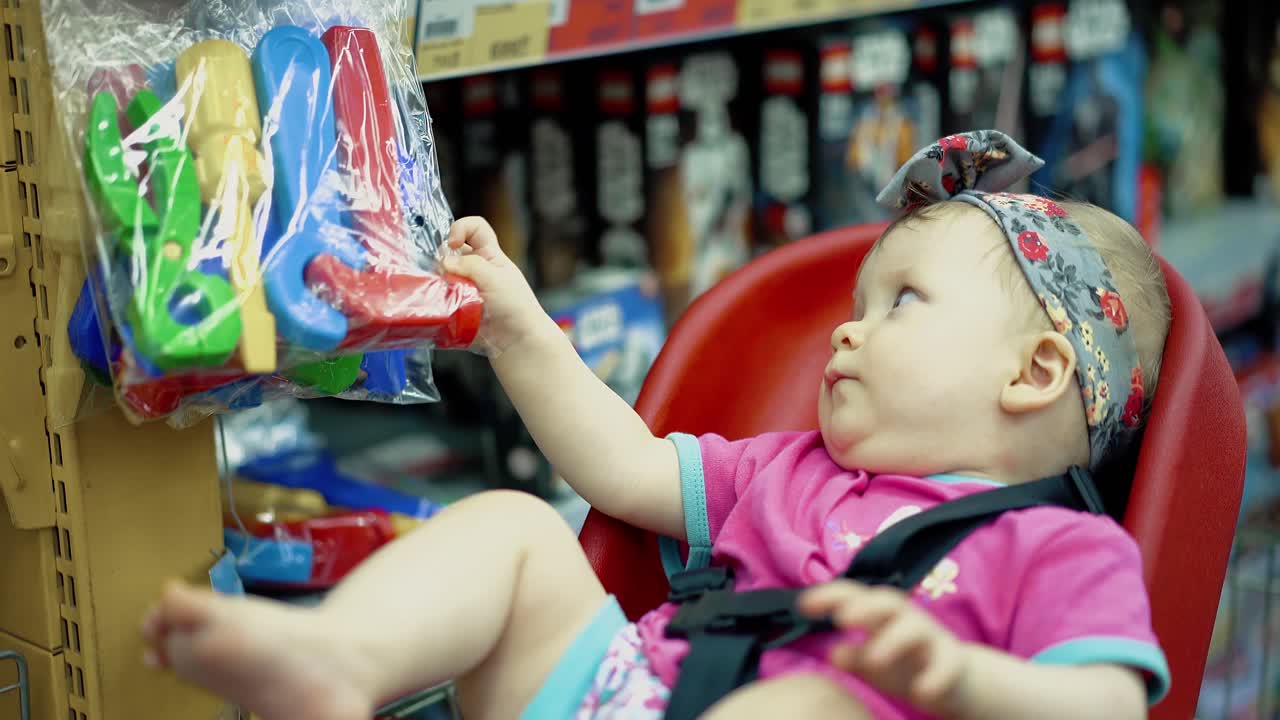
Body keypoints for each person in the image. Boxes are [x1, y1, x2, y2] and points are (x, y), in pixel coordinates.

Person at [140, 131, 1172, 720]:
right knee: (516, 531)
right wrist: (519, 332)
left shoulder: (1061, 548)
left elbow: (1109, 705)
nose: (846, 332)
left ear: (1035, 372)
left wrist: (961, 680)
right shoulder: (786, 468)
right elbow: (623, 465)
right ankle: (341, 660)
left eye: (899, 303)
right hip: (628, 696)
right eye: (855, 305)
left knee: (824, 708)